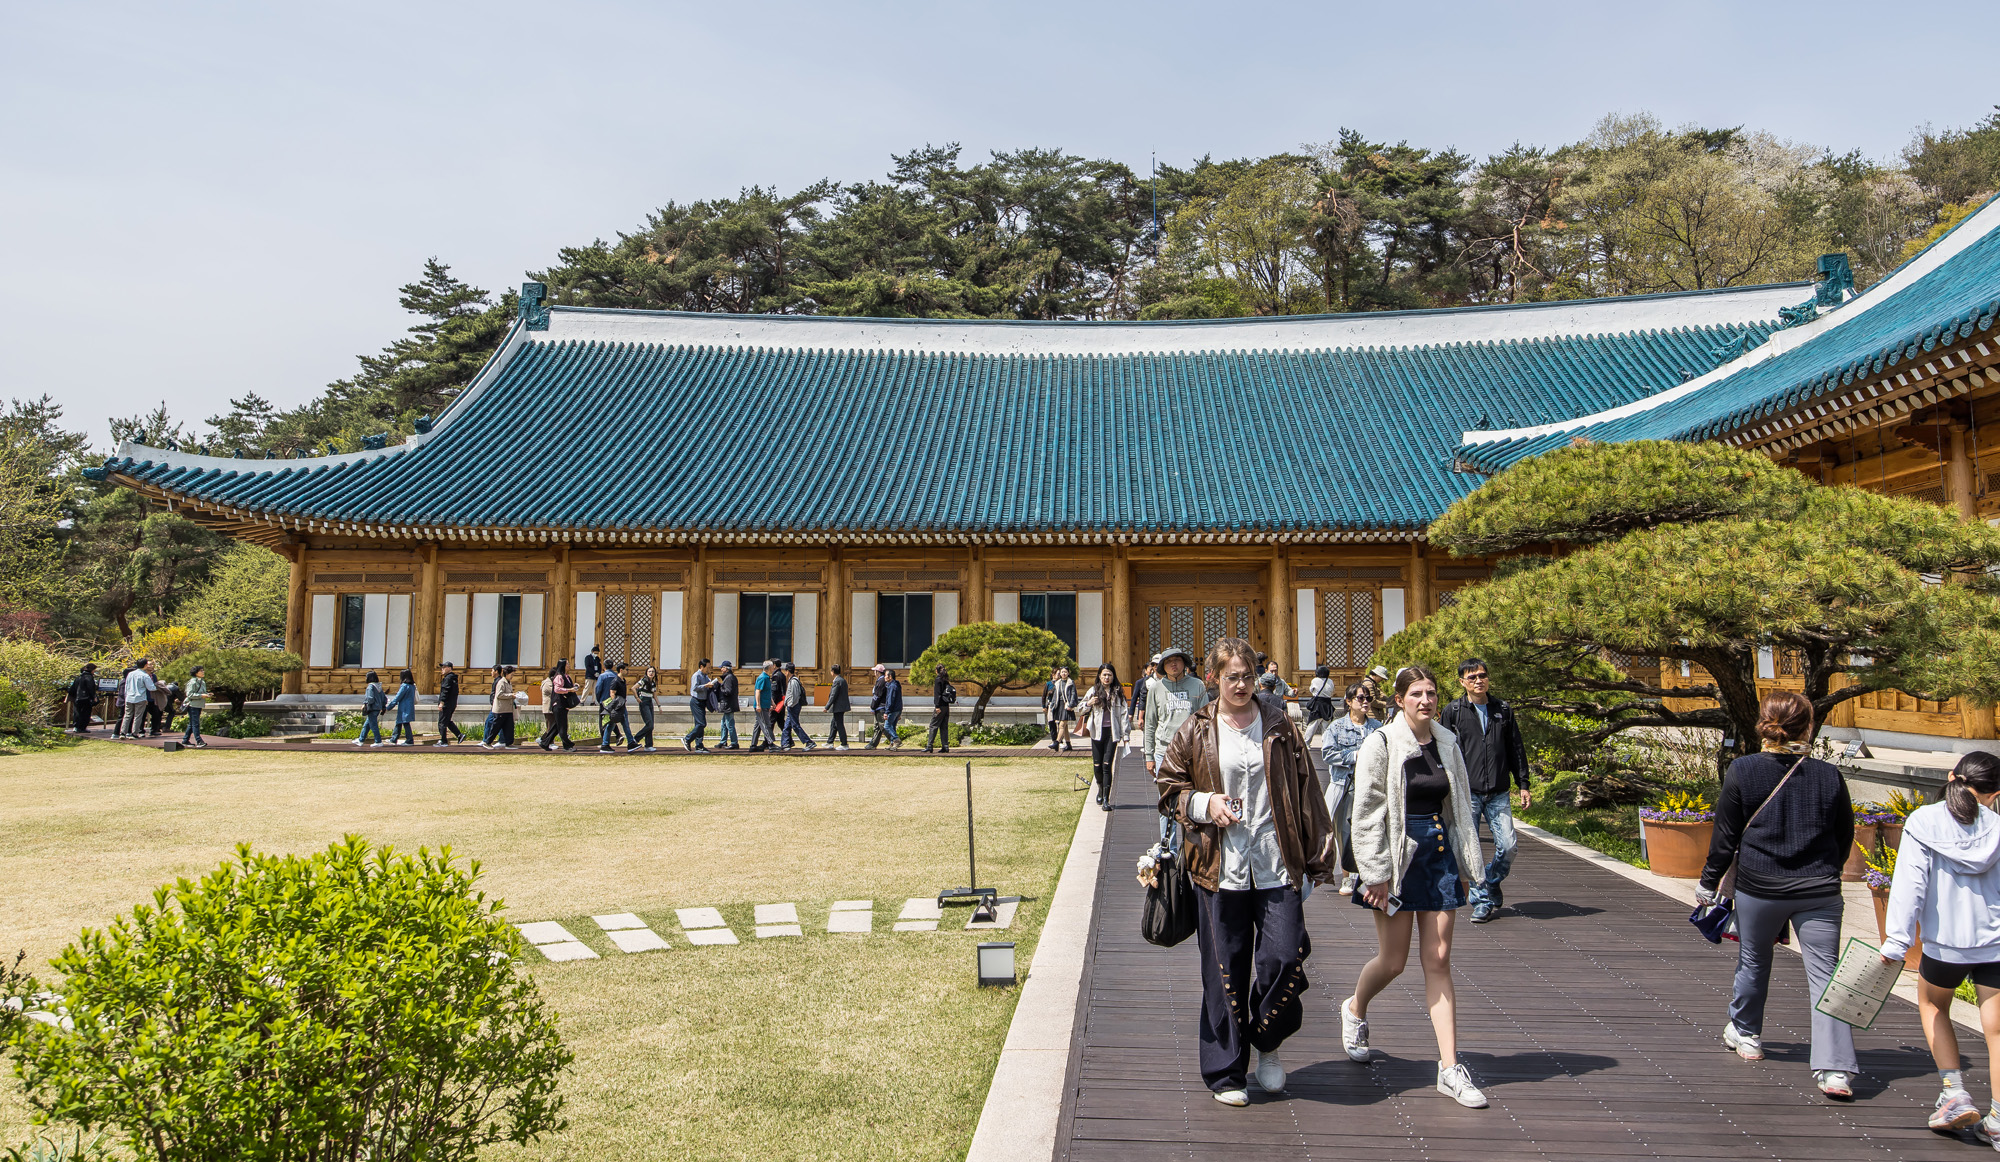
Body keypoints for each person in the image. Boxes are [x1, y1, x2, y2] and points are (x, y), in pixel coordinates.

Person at [1155, 637, 1336, 1107]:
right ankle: (1225, 1071)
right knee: (1224, 971)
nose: (1241, 684)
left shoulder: (1279, 724)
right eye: (1232, 675)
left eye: (1248, 675)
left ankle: (1268, 1040)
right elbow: (1169, 785)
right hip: (1219, 867)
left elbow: (1307, 791)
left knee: (1284, 956)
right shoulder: (1195, 728)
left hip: (1276, 862)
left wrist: (1318, 858)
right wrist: (1202, 802)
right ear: (1214, 678)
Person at [1342, 664, 1490, 1109]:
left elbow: (1460, 806)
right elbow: (1366, 812)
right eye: (1416, 694)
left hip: (1438, 854)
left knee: (1439, 958)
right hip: (1396, 857)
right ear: (1400, 699)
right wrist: (1376, 873)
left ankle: (1449, 1068)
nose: (1425, 700)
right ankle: (1354, 1009)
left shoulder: (1447, 741)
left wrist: (1466, 862)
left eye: (1431, 693)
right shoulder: (1381, 742)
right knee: (1393, 961)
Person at [1695, 690, 1855, 1099]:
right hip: (1818, 889)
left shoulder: (1743, 770)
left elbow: (1725, 838)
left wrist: (1709, 882)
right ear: (1808, 727)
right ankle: (1835, 1070)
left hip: (1759, 886)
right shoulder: (1828, 776)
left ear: (1764, 723)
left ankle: (1747, 1035)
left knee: (1753, 961)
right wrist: (1824, 872)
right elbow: (1843, 837)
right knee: (1827, 977)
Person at [1882, 751, 2000, 1136]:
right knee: (1997, 1030)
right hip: (1996, 943)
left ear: (1952, 776)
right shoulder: (1998, 826)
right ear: (1995, 793)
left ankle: (1955, 1094)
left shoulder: (1924, 821)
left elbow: (1909, 885)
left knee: (1933, 1004)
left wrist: (1897, 942)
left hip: (1944, 944)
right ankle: (1998, 1120)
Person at [1436, 658, 1531, 925]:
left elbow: (1516, 748)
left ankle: (1491, 880)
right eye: (1472, 677)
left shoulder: (1502, 709)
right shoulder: (1453, 711)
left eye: (1482, 676)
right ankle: (1481, 902)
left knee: (1509, 846)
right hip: (1468, 792)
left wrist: (1523, 783)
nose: (1479, 681)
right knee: (1471, 850)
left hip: (1498, 791)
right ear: (1462, 682)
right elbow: (1443, 751)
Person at [1320, 682, 1380, 892]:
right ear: (1348, 701)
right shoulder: (1336, 727)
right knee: (1343, 832)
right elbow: (1327, 754)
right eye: (1360, 698)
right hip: (1344, 784)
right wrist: (1353, 755)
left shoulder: (1377, 727)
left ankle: (1365, 875)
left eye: (1368, 698)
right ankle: (1347, 875)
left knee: (1369, 831)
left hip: (1370, 786)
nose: (1365, 702)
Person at [1145, 648, 1208, 838]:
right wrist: (1149, 755)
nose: (1173, 664)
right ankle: (1168, 849)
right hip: (1164, 750)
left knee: (1195, 799)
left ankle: (1193, 847)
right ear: (1163, 666)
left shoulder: (1197, 686)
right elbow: (1150, 723)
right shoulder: (1156, 688)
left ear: (1184, 663)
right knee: (1166, 801)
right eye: (1168, 661)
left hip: (1192, 751)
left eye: (1177, 660)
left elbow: (1205, 719)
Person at [1075, 664, 1127, 810]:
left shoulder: (1118, 692)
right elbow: (1080, 708)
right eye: (1104, 674)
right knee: (1097, 765)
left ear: (1113, 676)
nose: (1106, 677)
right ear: (1099, 676)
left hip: (1112, 732)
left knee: (1107, 765)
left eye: (1109, 674)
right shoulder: (1093, 691)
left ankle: (1106, 798)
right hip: (1096, 732)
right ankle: (1100, 788)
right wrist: (1089, 703)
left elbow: (1123, 713)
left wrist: (1126, 734)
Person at [538, 659, 577, 751]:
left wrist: (573, 687)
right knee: (562, 726)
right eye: (567, 664)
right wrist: (569, 690)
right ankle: (567, 745)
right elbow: (557, 689)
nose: (569, 665)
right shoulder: (559, 677)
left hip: (563, 704)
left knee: (557, 726)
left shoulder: (566, 676)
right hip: (559, 704)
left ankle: (545, 743)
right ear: (563, 665)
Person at [600, 665, 636, 753]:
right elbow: (612, 694)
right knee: (623, 725)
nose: (628, 671)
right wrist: (616, 706)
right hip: (618, 707)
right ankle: (630, 743)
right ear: (621, 670)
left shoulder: (623, 680)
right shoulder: (615, 681)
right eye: (626, 670)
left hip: (622, 705)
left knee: (612, 725)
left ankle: (605, 744)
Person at [866, 666, 903, 749]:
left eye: (875, 671)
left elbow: (887, 698)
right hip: (893, 708)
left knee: (885, 726)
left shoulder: (887, 684)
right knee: (885, 726)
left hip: (885, 708)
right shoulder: (891, 684)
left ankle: (895, 740)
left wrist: (875, 707)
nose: (874, 673)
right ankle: (890, 743)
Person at [782, 663, 817, 751]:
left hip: (793, 706)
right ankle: (785, 743)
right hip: (793, 706)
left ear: (788, 671)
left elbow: (794, 696)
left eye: (786, 671)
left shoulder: (793, 681)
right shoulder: (793, 680)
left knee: (795, 725)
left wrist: (789, 705)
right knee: (787, 725)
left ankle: (808, 742)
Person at [1300, 665, 1337, 747]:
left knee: (1312, 725)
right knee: (1326, 726)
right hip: (1327, 703)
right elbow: (1332, 690)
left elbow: (1311, 690)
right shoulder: (1330, 681)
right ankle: (1325, 745)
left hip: (1317, 704)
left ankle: (1306, 743)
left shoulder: (1315, 680)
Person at [924, 664, 955, 753]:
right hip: (946, 706)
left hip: (940, 706)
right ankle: (945, 746)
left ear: (937, 671)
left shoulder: (938, 680)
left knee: (933, 725)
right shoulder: (946, 680)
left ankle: (930, 746)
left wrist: (937, 706)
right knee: (944, 726)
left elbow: (937, 694)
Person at [750, 660, 781, 752]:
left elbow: (767, 692)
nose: (773, 668)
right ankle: (770, 744)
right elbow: (757, 691)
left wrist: (772, 702)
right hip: (762, 706)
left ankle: (753, 745)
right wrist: (758, 705)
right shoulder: (762, 678)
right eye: (772, 667)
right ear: (769, 668)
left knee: (758, 725)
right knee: (766, 724)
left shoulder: (767, 678)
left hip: (765, 704)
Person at [1045, 666, 1077, 751]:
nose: (1064, 673)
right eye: (1062, 672)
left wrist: (1071, 705)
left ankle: (1057, 742)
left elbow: (1074, 694)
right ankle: (1068, 744)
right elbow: (1055, 695)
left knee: (1062, 725)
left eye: (1065, 672)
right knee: (1065, 726)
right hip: (1059, 705)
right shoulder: (1057, 683)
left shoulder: (1071, 682)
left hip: (1067, 705)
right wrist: (1052, 706)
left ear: (1068, 673)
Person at [485, 665, 517, 748]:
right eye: (511, 675)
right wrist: (511, 695)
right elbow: (499, 695)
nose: (512, 677)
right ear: (506, 674)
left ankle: (509, 743)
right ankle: (488, 742)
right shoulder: (501, 682)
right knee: (496, 727)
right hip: (500, 709)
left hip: (508, 709)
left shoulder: (508, 682)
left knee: (509, 727)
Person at [683, 660, 712, 752]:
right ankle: (687, 739)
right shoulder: (696, 675)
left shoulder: (705, 676)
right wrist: (705, 686)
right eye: (708, 667)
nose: (709, 669)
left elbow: (708, 683)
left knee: (699, 724)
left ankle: (699, 745)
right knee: (701, 723)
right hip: (696, 701)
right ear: (701, 667)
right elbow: (694, 688)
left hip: (702, 701)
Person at [434, 661, 464, 745]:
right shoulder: (453, 678)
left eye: (444, 667)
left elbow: (445, 691)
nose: (442, 669)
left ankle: (443, 740)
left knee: (442, 722)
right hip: (452, 703)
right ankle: (459, 735)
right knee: (447, 721)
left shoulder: (448, 678)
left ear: (449, 668)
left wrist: (441, 703)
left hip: (446, 704)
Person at [179, 665, 209, 748]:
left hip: (199, 704)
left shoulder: (202, 682)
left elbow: (202, 692)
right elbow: (189, 694)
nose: (203, 672)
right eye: (201, 671)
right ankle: (199, 741)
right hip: (192, 705)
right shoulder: (192, 682)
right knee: (195, 723)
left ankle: (185, 740)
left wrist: (206, 694)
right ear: (196, 673)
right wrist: (201, 696)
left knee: (192, 723)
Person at [357, 670, 386, 747]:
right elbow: (384, 698)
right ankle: (361, 739)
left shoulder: (370, 687)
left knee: (373, 725)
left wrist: (365, 704)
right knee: (367, 724)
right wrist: (383, 706)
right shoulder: (379, 686)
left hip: (372, 708)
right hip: (377, 708)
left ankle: (378, 741)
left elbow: (370, 698)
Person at [716, 660, 741, 749]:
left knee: (729, 723)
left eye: (722, 668)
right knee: (723, 723)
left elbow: (728, 691)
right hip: (728, 704)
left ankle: (734, 742)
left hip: (728, 704)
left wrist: (719, 688)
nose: (721, 670)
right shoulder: (730, 677)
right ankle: (723, 741)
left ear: (726, 669)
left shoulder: (729, 678)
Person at [826, 663, 851, 750]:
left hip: (838, 707)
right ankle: (830, 742)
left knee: (839, 724)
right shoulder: (842, 680)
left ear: (832, 672)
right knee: (834, 724)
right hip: (841, 706)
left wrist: (827, 707)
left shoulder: (837, 681)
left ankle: (844, 744)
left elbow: (833, 695)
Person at [67, 663, 98, 734]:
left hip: (78, 698)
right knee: (85, 713)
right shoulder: (89, 678)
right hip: (86, 698)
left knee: (77, 713)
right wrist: (93, 696)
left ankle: (76, 727)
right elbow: (91, 688)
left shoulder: (78, 678)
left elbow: (72, 689)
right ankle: (82, 727)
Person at [390, 669, 418, 745]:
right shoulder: (412, 686)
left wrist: (389, 706)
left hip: (403, 708)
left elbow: (398, 697)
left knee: (404, 723)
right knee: (400, 723)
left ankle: (409, 740)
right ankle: (394, 739)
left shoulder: (404, 686)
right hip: (409, 707)